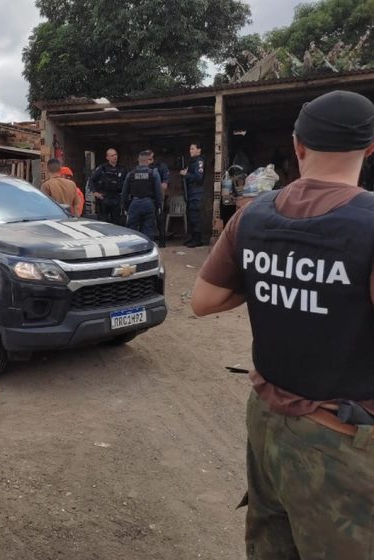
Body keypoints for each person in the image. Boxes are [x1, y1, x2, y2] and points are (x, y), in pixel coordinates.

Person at [191, 90, 374, 558]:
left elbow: (204, 300)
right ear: (370, 148)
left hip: (268, 422)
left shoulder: (254, 212)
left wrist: (269, 278)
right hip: (340, 438)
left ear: (297, 146)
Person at [121, 151, 163, 238]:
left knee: (132, 231)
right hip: (148, 203)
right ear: (148, 161)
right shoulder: (153, 174)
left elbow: (124, 193)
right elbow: (158, 192)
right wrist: (158, 206)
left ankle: (133, 250)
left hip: (134, 203)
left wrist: (125, 207)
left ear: (138, 161)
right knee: (148, 230)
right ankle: (147, 250)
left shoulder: (131, 174)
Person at [88, 148, 126, 224]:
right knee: (103, 222)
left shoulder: (122, 169)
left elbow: (126, 183)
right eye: (112, 155)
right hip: (104, 198)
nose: (115, 157)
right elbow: (91, 180)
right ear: (107, 157)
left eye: (115, 155)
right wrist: (95, 193)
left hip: (116, 198)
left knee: (117, 222)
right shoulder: (102, 168)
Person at [180, 142, 205, 247]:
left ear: (199, 150)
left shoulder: (199, 162)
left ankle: (197, 240)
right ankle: (192, 238)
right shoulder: (193, 162)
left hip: (196, 193)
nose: (191, 151)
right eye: (190, 149)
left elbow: (199, 178)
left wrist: (187, 174)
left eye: (193, 149)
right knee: (191, 216)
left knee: (195, 217)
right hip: (191, 193)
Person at [148, 150, 171, 247]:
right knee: (148, 221)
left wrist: (159, 187)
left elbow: (165, 184)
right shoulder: (143, 167)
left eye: (150, 157)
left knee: (160, 220)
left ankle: (162, 244)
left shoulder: (161, 166)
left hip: (159, 198)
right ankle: (150, 243)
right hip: (148, 198)